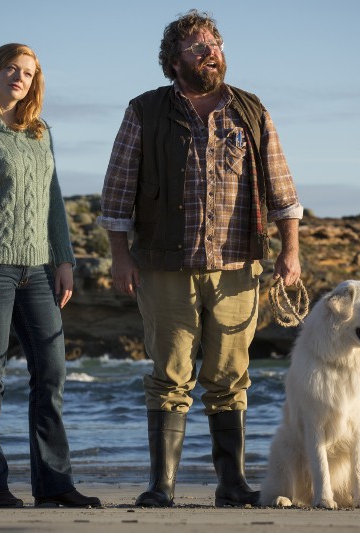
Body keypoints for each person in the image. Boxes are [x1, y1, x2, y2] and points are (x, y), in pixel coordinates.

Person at [99, 10, 303, 508]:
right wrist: (120, 257)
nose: (209, 51)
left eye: (214, 43)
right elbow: (118, 190)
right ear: (173, 61)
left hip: (240, 267)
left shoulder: (251, 110)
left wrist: (291, 251)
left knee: (230, 377)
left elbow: (282, 189)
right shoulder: (144, 110)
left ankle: (231, 485)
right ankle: (161, 486)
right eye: (196, 46)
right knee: (169, 375)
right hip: (164, 267)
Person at [0, 43, 100, 509]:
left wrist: (65, 259)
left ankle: (54, 485)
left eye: (29, 73)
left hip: (38, 269)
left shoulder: (40, 133)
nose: (20, 78)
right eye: (11, 69)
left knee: (51, 373)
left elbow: (53, 200)